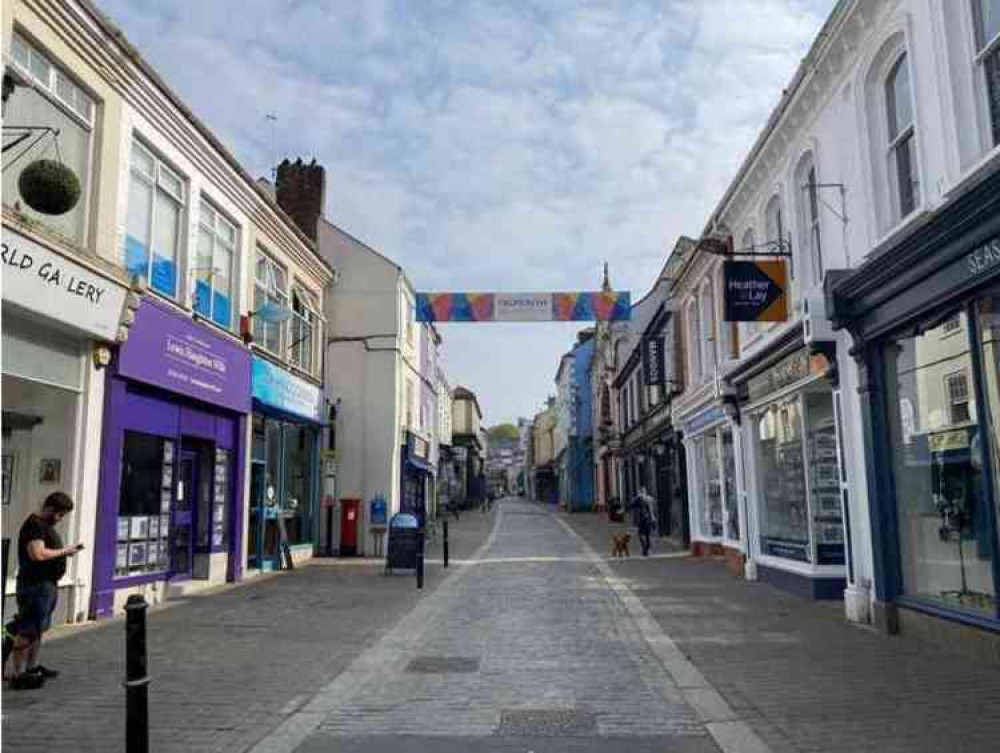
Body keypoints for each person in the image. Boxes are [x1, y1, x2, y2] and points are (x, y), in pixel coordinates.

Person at [5, 492, 83, 690]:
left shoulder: (43, 526)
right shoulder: (35, 525)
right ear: (50, 508)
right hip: (35, 585)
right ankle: (17, 673)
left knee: (38, 629)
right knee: (28, 629)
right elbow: (37, 554)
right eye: (60, 514)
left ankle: (31, 668)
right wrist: (65, 551)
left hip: (46, 584)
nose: (60, 519)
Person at [629, 487, 657, 557]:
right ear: (645, 492)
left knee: (640, 534)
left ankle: (644, 548)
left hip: (641, 519)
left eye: (639, 492)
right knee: (647, 534)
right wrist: (653, 518)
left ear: (639, 492)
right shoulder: (649, 498)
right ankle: (647, 547)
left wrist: (623, 510)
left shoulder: (638, 499)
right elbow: (652, 509)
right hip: (648, 519)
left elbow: (630, 505)